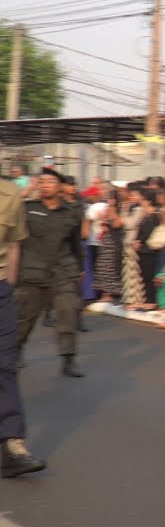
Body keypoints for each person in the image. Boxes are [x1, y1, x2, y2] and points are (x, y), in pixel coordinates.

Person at [15, 169, 85, 377]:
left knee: (68, 312)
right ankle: (16, 350)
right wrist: (27, 190)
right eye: (42, 181)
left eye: (50, 181)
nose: (45, 185)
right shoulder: (28, 208)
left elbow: (75, 244)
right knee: (23, 319)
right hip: (31, 272)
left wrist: (79, 270)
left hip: (62, 271)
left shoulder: (72, 212)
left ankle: (68, 359)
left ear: (61, 187)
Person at [0, 172, 46, 478]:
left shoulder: (9, 195)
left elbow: (14, 244)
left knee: (6, 364)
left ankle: (11, 445)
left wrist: (9, 286)